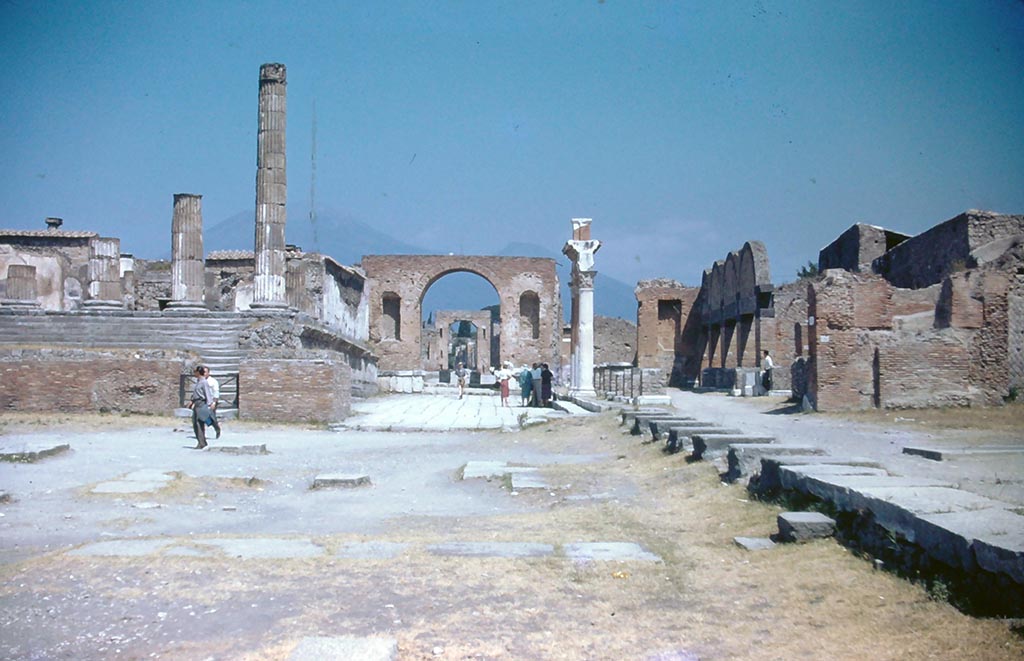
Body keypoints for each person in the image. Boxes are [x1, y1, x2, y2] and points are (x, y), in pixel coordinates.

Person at [187, 365, 215, 449]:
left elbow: (207, 393)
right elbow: (196, 393)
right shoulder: (198, 381)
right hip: (197, 403)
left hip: (201, 404)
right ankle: (202, 441)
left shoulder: (204, 382)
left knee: (199, 423)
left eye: (195, 371)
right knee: (196, 423)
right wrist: (192, 401)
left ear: (198, 372)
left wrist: (210, 404)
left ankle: (201, 442)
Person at [203, 366, 222, 439]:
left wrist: (214, 402)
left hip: (211, 402)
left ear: (208, 373)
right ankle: (202, 434)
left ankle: (217, 428)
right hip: (203, 402)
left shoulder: (213, 381)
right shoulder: (200, 381)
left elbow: (216, 392)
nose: (204, 373)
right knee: (201, 418)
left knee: (211, 418)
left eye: (205, 372)